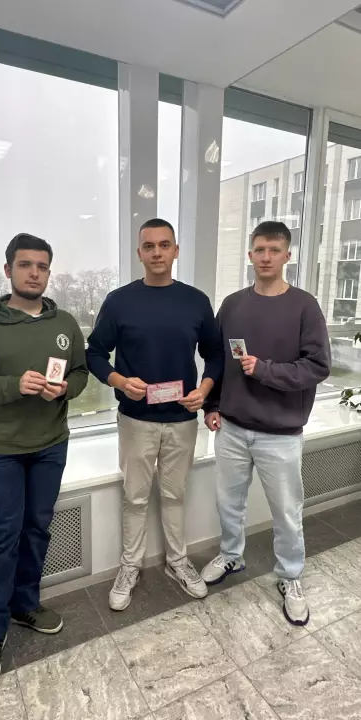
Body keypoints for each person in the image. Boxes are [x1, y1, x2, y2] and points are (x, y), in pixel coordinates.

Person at [0, 233, 88, 693]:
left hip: (51, 444)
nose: (34, 273)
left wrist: (65, 389)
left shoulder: (65, 323)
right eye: (26, 264)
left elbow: (80, 373)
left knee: (37, 529)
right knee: (0, 540)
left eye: (42, 266)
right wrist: (14, 385)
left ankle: (25, 604)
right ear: (8, 270)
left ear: (49, 272)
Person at [87, 218, 224, 611]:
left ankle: (177, 562)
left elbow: (215, 355)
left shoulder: (196, 301)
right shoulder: (119, 301)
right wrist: (118, 380)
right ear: (139, 253)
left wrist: (204, 391)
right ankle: (130, 566)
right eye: (149, 246)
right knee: (134, 498)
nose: (157, 252)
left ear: (176, 251)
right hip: (135, 420)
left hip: (182, 421)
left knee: (174, 495)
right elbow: (94, 353)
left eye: (165, 245)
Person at [201, 221, 330, 627]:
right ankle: (231, 555)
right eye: (259, 250)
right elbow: (218, 361)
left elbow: (317, 366)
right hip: (232, 428)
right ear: (250, 254)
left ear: (287, 255)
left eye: (274, 250)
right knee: (229, 503)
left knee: (287, 512)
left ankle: (290, 576)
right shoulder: (232, 305)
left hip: (281, 434)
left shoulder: (304, 306)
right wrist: (212, 405)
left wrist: (265, 370)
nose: (266, 257)